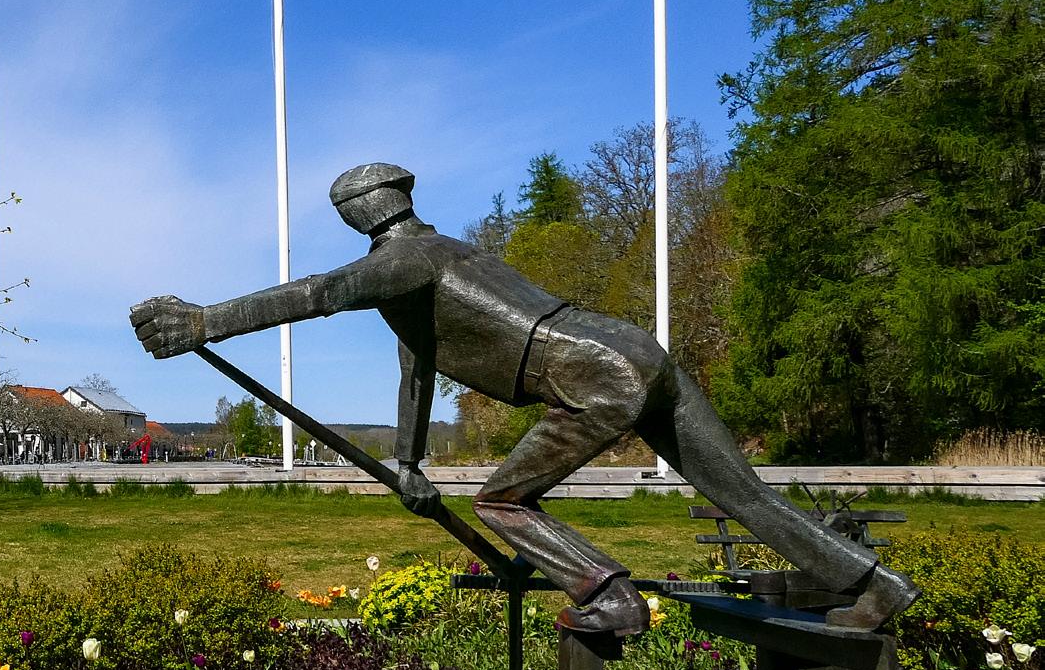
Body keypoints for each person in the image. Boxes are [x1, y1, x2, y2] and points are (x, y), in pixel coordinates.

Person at [131, 161, 919, 635]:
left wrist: (205, 322)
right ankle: (873, 587)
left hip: (585, 373)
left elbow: (319, 292)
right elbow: (415, 374)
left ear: (358, 214)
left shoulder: (402, 262)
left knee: (500, 502)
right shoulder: (440, 264)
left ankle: (607, 596)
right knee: (741, 493)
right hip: (630, 350)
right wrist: (406, 464)